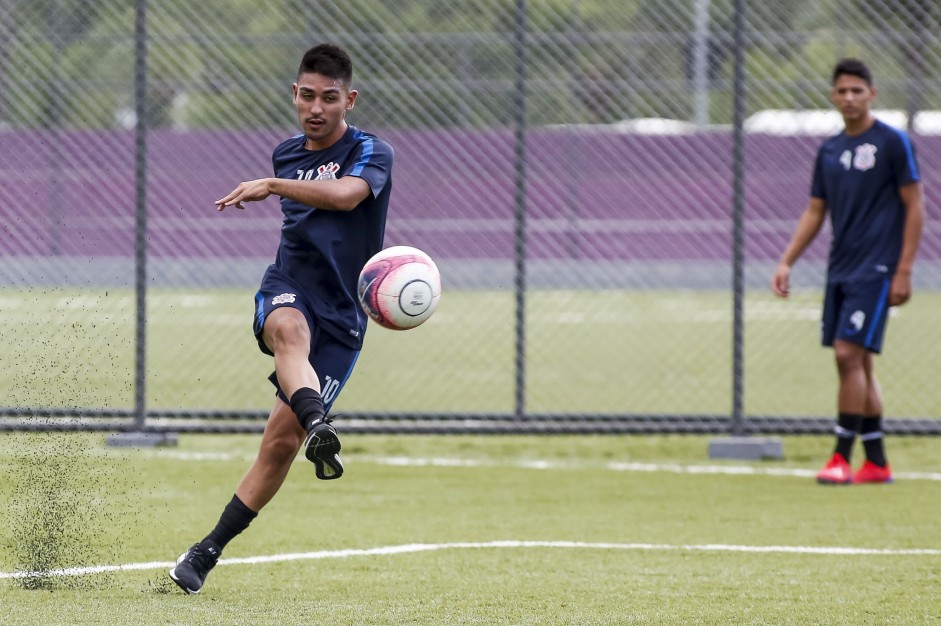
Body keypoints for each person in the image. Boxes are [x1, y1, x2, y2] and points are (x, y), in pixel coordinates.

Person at [168, 43, 394, 594]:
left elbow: (344, 197)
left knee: (278, 446)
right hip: (291, 287)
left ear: (350, 99)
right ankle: (319, 421)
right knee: (288, 332)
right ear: (295, 94)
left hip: (343, 317)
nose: (316, 108)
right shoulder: (286, 152)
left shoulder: (373, 151)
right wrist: (278, 178)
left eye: (330, 98)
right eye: (307, 96)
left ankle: (206, 551)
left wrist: (272, 185)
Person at [771, 58, 924, 486]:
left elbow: (916, 204)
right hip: (840, 269)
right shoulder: (830, 150)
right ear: (833, 96)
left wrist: (904, 270)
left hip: (877, 269)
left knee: (846, 354)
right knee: (858, 364)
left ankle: (840, 456)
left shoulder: (893, 143)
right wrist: (787, 260)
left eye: (858, 90)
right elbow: (815, 210)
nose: (850, 98)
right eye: (842, 91)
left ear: (872, 94)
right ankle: (876, 463)